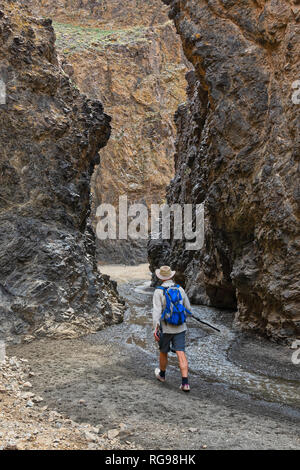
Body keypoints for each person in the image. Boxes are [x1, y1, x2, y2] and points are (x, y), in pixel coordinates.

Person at [152, 265, 192, 392]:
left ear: (160, 278)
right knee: (181, 353)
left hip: (165, 327)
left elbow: (156, 313)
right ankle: (185, 383)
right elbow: (188, 308)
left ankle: (162, 375)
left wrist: (155, 328)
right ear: (172, 276)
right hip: (180, 327)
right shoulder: (180, 289)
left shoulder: (158, 291)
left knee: (163, 352)